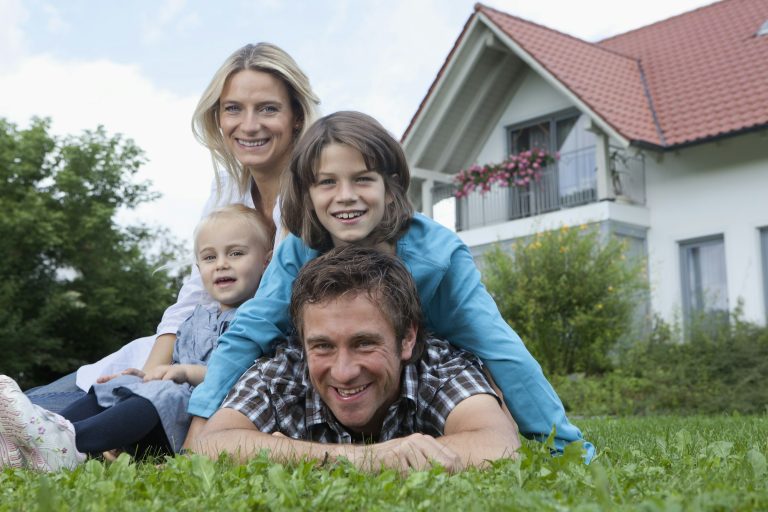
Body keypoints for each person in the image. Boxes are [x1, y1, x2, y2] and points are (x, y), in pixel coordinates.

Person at [188, 111, 594, 460]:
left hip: (425, 373)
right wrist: (199, 428)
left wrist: (564, 445)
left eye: (362, 179)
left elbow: (498, 346)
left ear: (390, 183)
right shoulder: (298, 249)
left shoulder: (439, 255)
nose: (345, 197)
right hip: (342, 380)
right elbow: (250, 330)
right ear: (307, 194)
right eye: (327, 182)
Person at [26, 42, 320, 413]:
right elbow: (194, 295)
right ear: (218, 117)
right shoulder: (227, 189)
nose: (249, 125)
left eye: (268, 109)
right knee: (36, 400)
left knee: (50, 414)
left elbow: (277, 315)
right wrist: (146, 377)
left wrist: (169, 381)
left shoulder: (317, 193)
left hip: (251, 365)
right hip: (194, 345)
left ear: (296, 116)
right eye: (233, 109)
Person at [193, 245, 520, 472]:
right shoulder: (282, 369)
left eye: (364, 343)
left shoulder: (438, 365)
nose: (344, 371)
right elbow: (211, 445)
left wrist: (288, 455)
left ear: (407, 338)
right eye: (322, 346)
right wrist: (366, 459)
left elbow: (499, 445)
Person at [0, 205, 271, 471]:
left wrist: (184, 372)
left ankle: (68, 443)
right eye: (210, 258)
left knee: (162, 391)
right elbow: (170, 366)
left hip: (200, 419)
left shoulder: (257, 320)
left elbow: (242, 378)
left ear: (266, 262)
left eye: (236, 253)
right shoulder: (196, 318)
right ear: (198, 268)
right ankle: (44, 428)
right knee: (121, 383)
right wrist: (143, 377)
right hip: (165, 410)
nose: (222, 264)